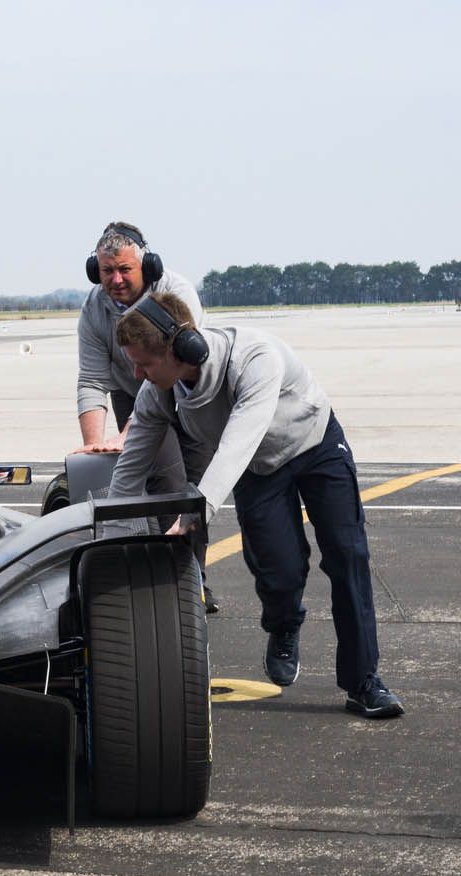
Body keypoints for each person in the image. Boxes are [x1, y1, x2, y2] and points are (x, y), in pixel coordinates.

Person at [112, 290, 405, 718]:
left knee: (347, 555)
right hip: (255, 468)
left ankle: (364, 682)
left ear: (180, 349)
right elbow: (129, 471)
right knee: (281, 572)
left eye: (145, 363)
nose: (137, 373)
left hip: (314, 443)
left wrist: (197, 509)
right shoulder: (158, 393)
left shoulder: (254, 358)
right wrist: (106, 529)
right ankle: (284, 623)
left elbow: (239, 437)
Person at [74, 220, 217, 610]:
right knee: (165, 484)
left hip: (184, 390)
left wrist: (128, 432)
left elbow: (175, 369)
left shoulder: (176, 292)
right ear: (95, 271)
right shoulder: (93, 309)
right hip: (130, 389)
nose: (116, 279)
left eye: (125, 270)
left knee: (195, 490)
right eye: (107, 271)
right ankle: (164, 582)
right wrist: (95, 445)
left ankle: (193, 580)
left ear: (147, 267)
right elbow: (91, 379)